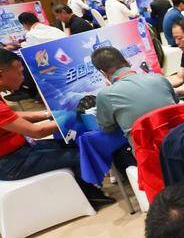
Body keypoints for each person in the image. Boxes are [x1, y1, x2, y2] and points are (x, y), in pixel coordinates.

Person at [0, 49, 114, 209]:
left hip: (20, 151)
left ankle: (87, 189)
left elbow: (12, 116)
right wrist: (73, 116)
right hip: (12, 164)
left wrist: (48, 114)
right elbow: (36, 132)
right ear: (1, 73)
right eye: (19, 72)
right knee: (80, 156)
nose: (23, 77)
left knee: (75, 145)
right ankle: (89, 197)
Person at [91, 46, 178, 146]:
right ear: (127, 61)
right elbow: (176, 102)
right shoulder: (159, 78)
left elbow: (107, 128)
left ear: (102, 72)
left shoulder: (106, 94)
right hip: (182, 141)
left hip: (149, 152)